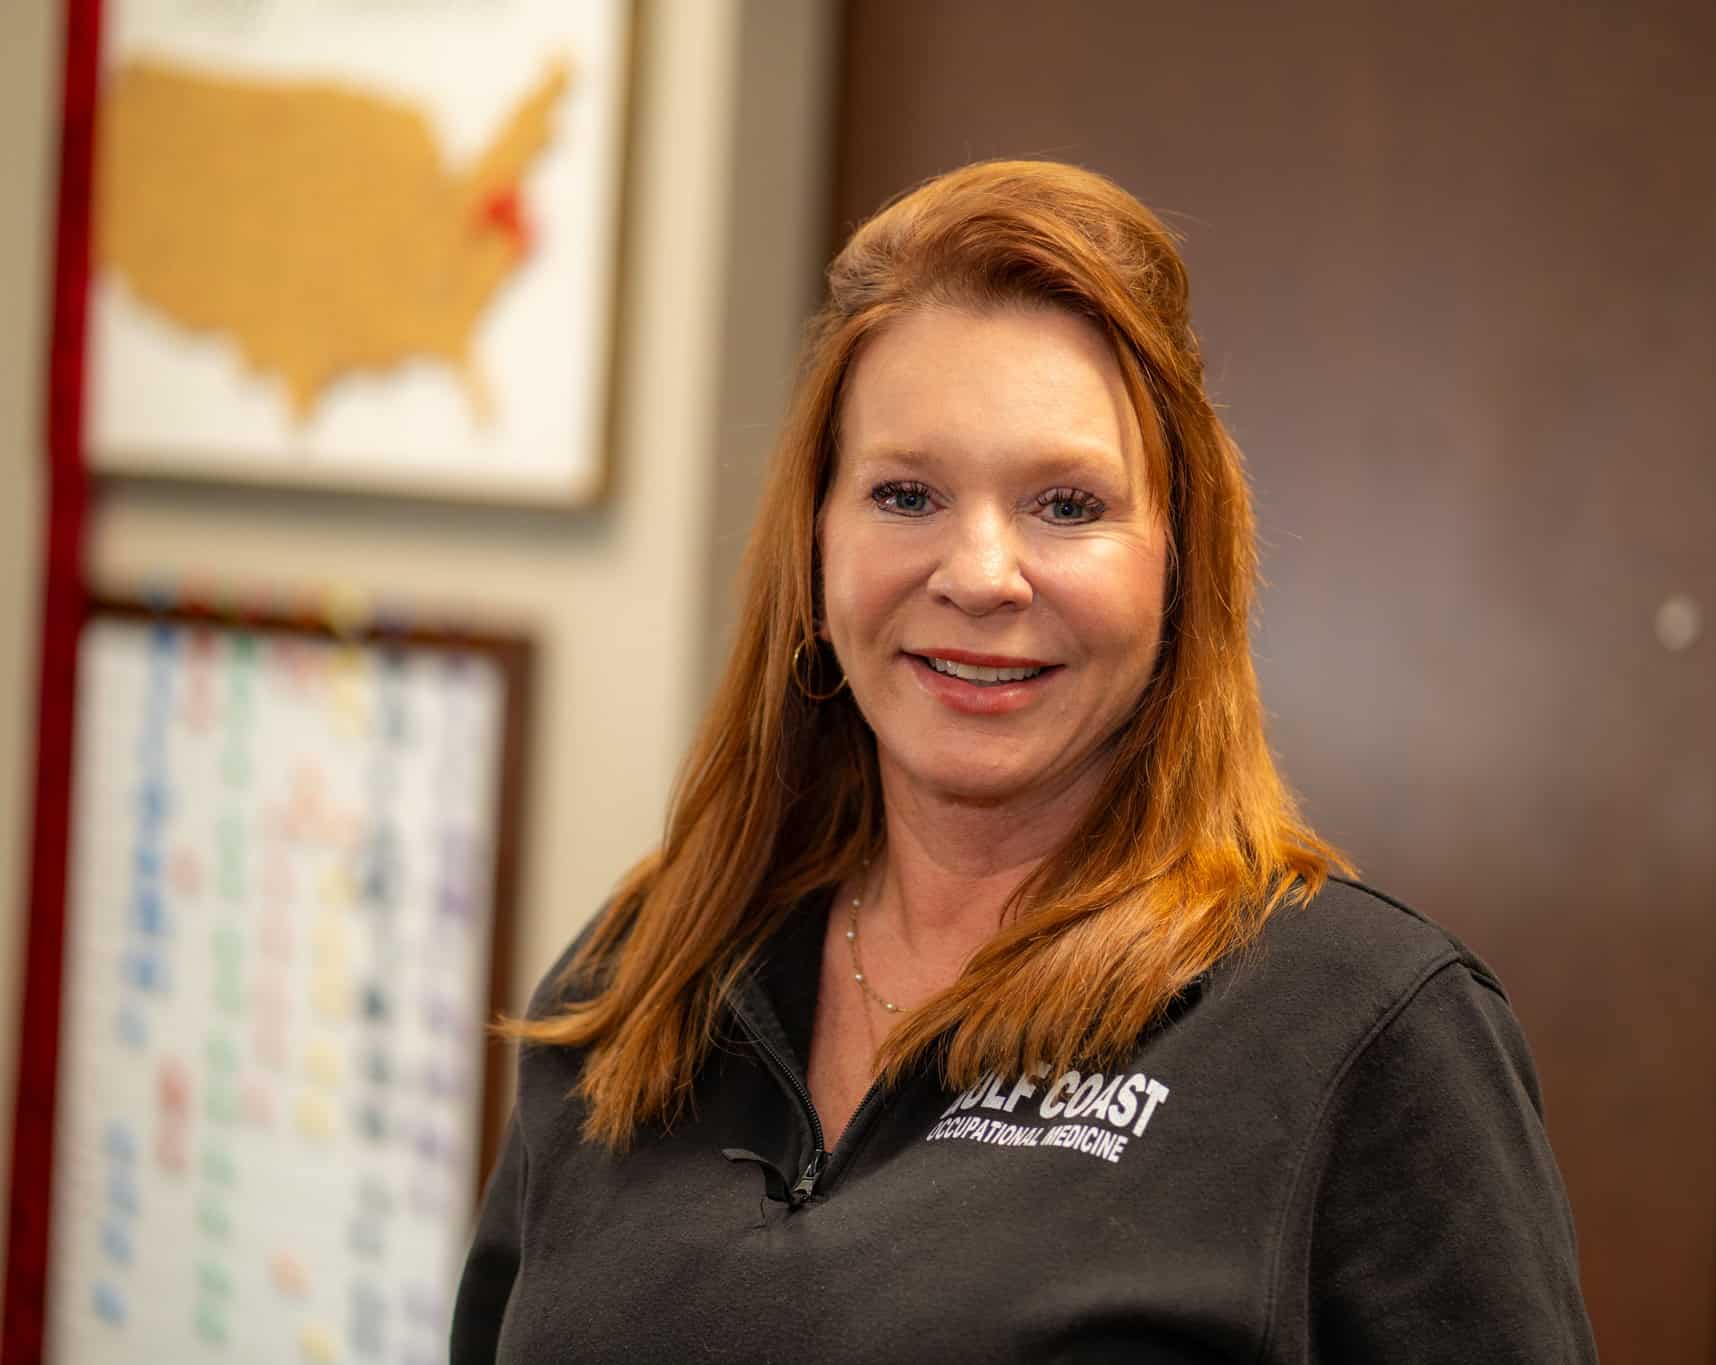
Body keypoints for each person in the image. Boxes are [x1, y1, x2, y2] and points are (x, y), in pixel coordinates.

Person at [451, 160, 1598, 1362]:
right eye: (905, 494)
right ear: (815, 545)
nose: (979, 575)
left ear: (1176, 562)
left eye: (1065, 505)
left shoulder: (1360, 1030)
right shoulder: (639, 976)